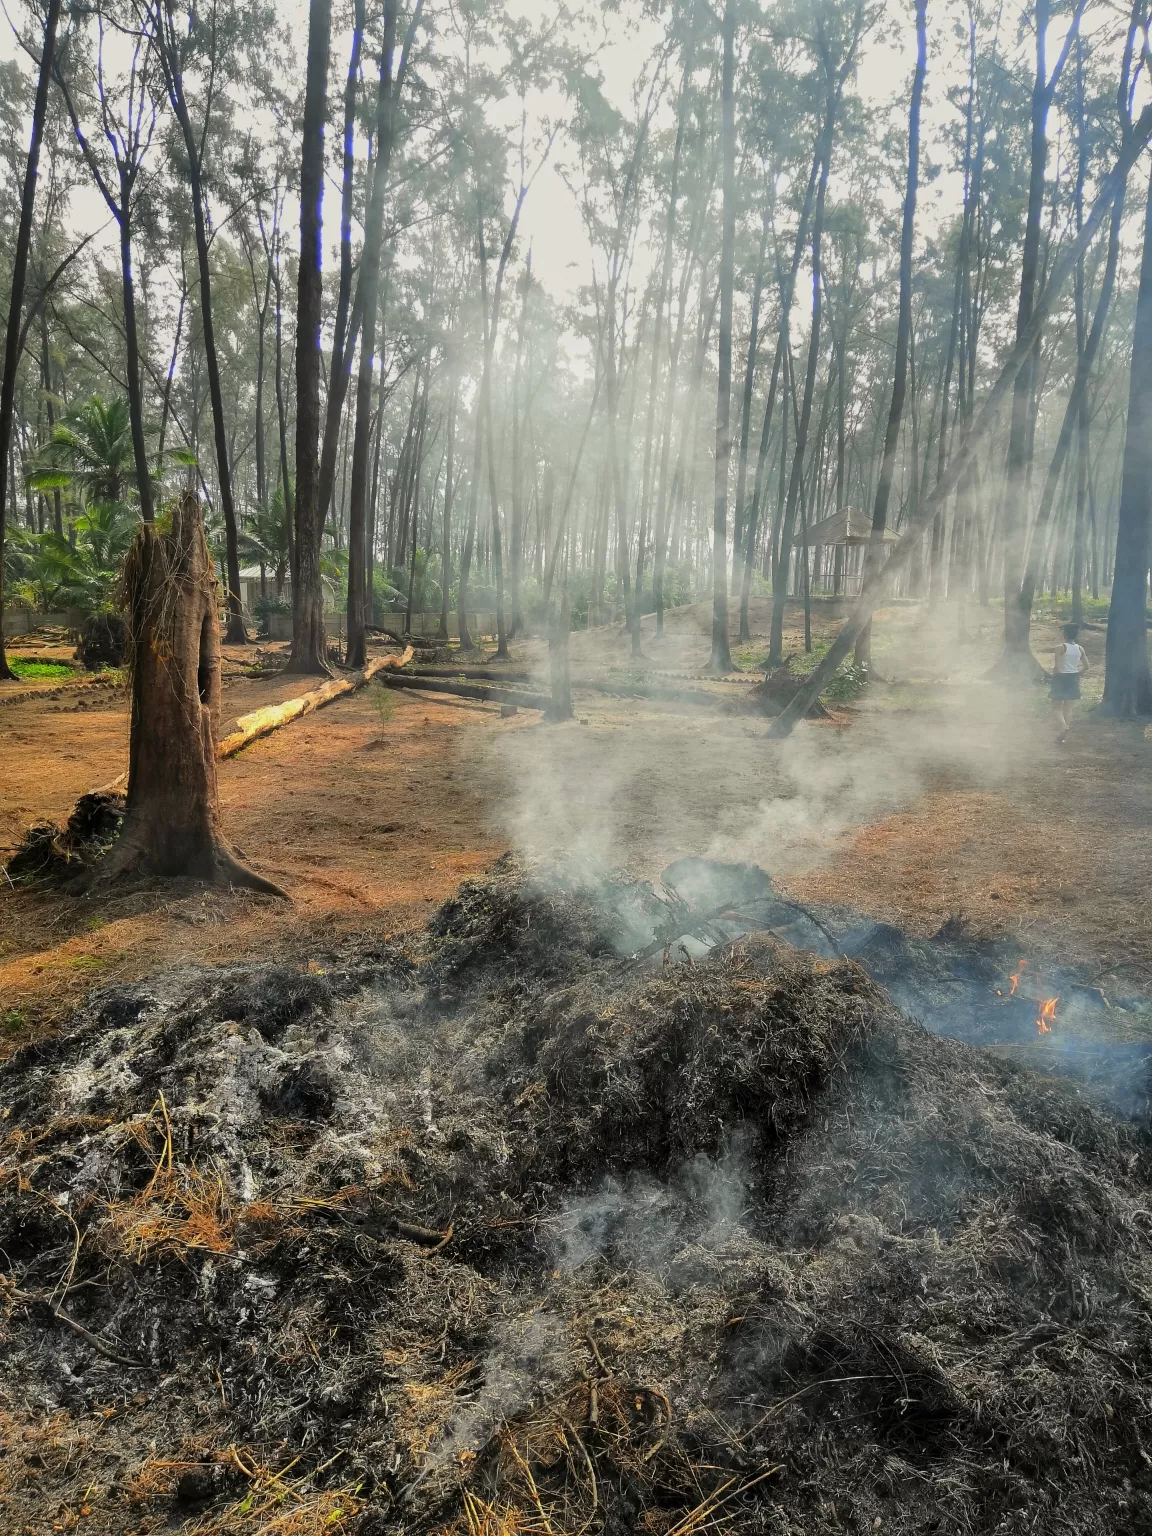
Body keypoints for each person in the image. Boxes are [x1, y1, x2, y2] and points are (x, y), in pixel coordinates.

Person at [1051, 622, 1089, 743]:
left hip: (1061, 678)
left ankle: (1063, 727)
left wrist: (1055, 676)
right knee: (1068, 709)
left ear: (1064, 633)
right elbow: (1087, 666)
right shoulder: (1080, 649)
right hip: (1073, 678)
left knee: (1056, 707)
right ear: (1076, 635)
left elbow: (1056, 667)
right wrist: (1077, 674)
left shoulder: (1059, 648)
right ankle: (1063, 738)